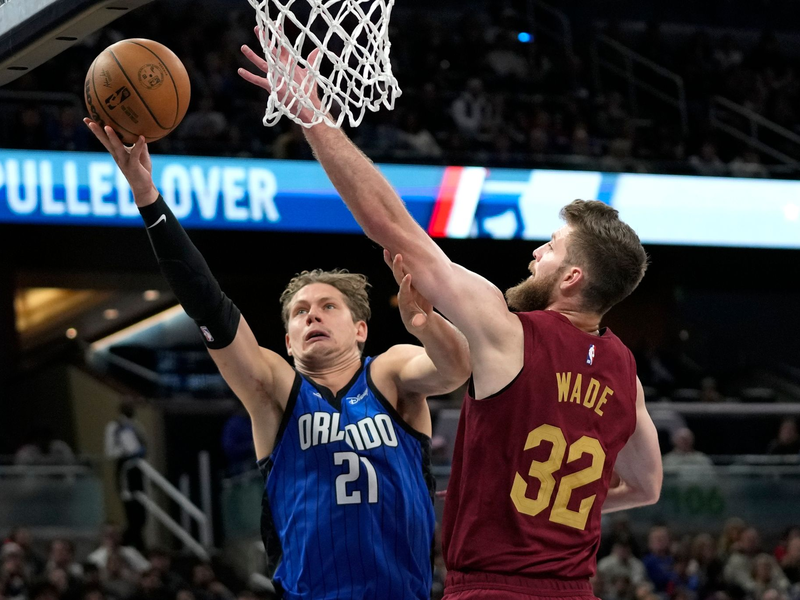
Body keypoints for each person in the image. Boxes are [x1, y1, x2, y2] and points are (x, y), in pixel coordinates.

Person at [238, 41, 662, 598]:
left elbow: (392, 226)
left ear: (573, 278)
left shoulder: (511, 332)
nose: (537, 252)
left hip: (489, 588)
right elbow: (645, 486)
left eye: (552, 248)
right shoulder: (624, 374)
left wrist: (314, 118)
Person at [83, 118, 471, 600]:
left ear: (360, 329)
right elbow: (209, 305)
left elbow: (456, 369)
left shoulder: (389, 372)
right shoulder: (276, 390)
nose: (313, 316)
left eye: (329, 306)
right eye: (300, 312)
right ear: (287, 341)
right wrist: (148, 199)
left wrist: (426, 324)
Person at [104, 400, 148, 550]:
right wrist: (127, 452)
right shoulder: (114, 426)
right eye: (128, 406)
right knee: (132, 512)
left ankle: (133, 544)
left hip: (138, 468)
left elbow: (145, 445)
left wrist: (140, 451)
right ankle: (133, 545)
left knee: (142, 514)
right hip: (124, 469)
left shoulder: (137, 425)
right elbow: (110, 452)